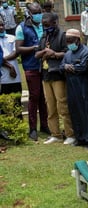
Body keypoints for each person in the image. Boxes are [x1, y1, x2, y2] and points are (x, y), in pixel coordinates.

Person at [35, 12, 75, 145]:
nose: (45, 27)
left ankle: (70, 134)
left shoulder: (62, 36)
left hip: (58, 74)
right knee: (50, 106)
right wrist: (43, 53)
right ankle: (55, 134)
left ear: (55, 23)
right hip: (46, 75)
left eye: (47, 25)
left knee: (62, 105)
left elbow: (68, 52)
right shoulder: (44, 36)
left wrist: (54, 54)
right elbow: (37, 54)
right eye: (43, 25)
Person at [60, 29, 88, 149]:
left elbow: (83, 67)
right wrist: (65, 67)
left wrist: (71, 67)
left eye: (71, 41)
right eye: (67, 41)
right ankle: (80, 138)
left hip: (84, 86)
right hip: (72, 86)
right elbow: (61, 65)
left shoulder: (86, 51)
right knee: (75, 111)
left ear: (77, 40)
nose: (69, 44)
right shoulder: (68, 53)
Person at [15, 2, 48, 141]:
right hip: (31, 66)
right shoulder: (21, 28)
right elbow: (18, 49)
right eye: (35, 13)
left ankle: (45, 125)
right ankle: (33, 128)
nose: (38, 15)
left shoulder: (44, 24)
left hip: (46, 65)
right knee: (34, 96)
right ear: (29, 13)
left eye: (39, 12)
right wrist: (34, 48)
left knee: (44, 97)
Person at [0, 18, 22, 104]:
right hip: (3, 78)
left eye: (2, 25)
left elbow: (16, 53)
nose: (1, 27)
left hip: (15, 77)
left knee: (17, 102)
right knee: (4, 105)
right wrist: (10, 66)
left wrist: (2, 59)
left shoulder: (12, 38)